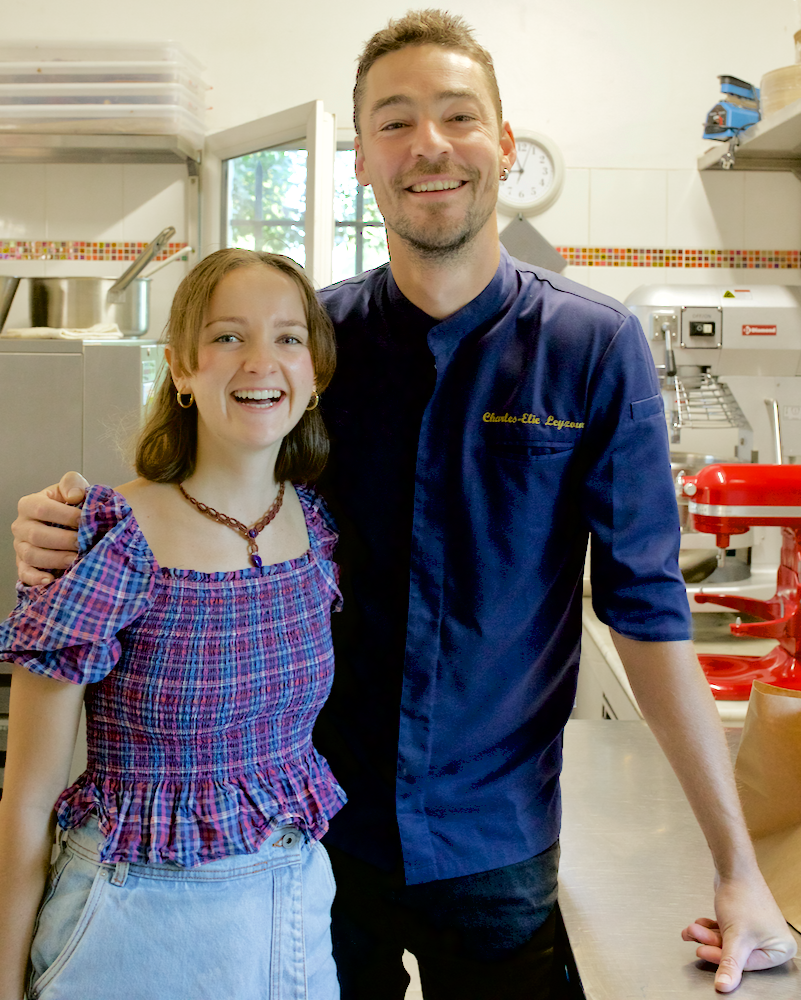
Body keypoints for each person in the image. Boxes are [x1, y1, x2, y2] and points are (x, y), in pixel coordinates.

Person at [11, 10, 798, 1000]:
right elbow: (204, 492)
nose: (429, 144)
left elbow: (645, 608)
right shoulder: (316, 344)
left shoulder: (592, 347)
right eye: (394, 122)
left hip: (498, 842)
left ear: (502, 143)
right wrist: (73, 523)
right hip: (317, 842)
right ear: (361, 162)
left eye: (458, 115)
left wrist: (736, 868)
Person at [0, 248, 344, 1000]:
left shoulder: (313, 526)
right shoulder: (108, 538)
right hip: (132, 926)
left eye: (288, 338)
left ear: (315, 372)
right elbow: (27, 796)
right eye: (228, 336)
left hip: (292, 919)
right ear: (181, 369)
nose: (260, 361)